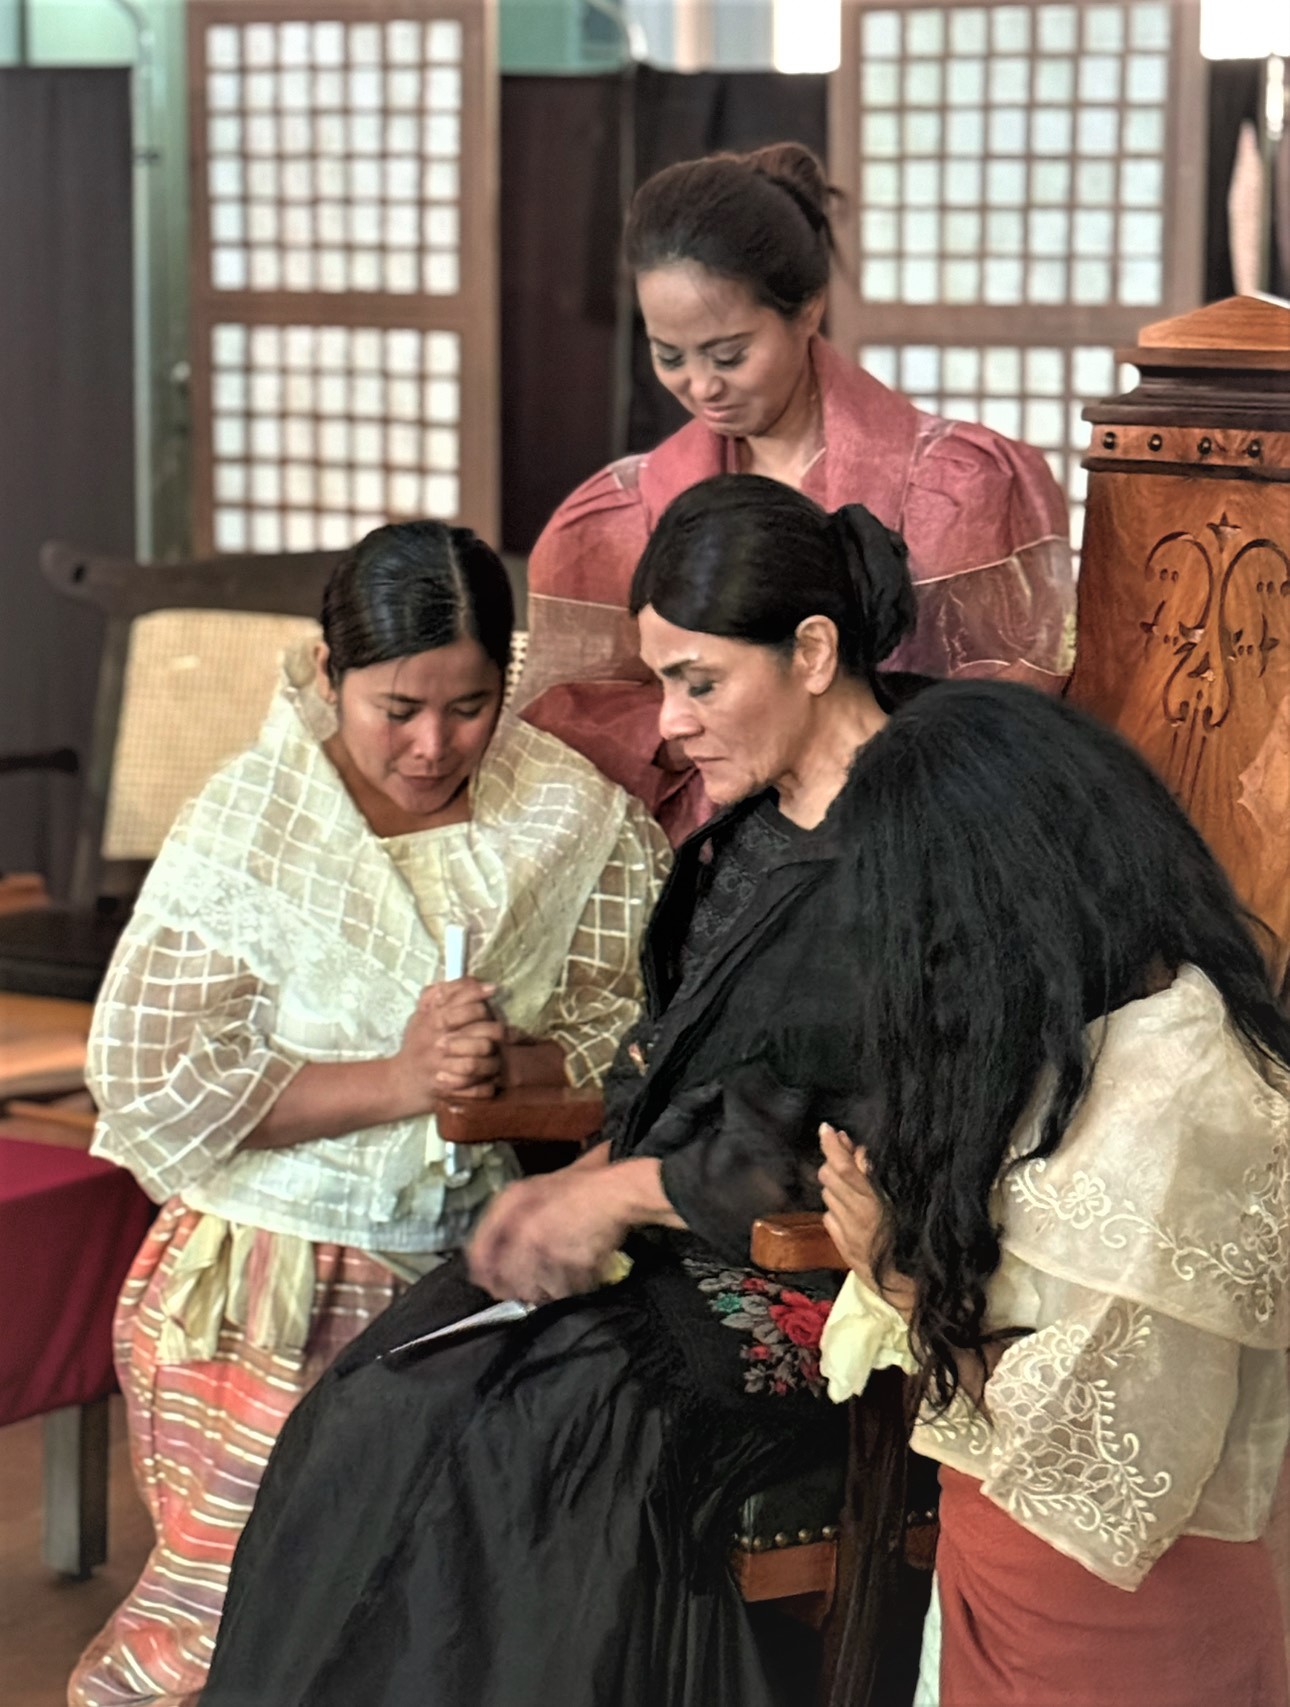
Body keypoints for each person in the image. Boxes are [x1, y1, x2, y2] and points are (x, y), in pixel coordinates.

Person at [199, 474, 922, 1707]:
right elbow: (681, 1066)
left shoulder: (921, 827)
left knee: (548, 1451)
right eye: (662, 686)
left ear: (811, 651)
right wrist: (589, 1179)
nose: (669, 725)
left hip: (818, 1261)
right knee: (382, 1400)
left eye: (695, 683)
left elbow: (872, 1117)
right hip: (683, 1228)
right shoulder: (745, 837)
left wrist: (626, 1189)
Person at [69, 521, 667, 1707]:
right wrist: (399, 1081)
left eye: (471, 705)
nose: (434, 745)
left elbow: (622, 1022)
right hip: (268, 1278)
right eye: (396, 707)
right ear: (329, 673)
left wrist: (505, 1067)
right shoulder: (256, 826)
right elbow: (149, 1077)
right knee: (233, 1625)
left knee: (414, 1629)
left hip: (471, 1275)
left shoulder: (559, 810)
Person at [815, 684, 1290, 1707]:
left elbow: (1105, 1462)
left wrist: (900, 1279)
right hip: (1000, 1559)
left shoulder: (1188, 1105)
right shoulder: (1095, 1025)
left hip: (1126, 1625)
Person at [517, 143, 1075, 842]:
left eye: (728, 355)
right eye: (669, 356)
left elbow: (1007, 717)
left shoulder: (959, 488)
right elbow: (580, 724)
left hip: (911, 843)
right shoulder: (619, 516)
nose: (701, 386)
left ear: (809, 309)